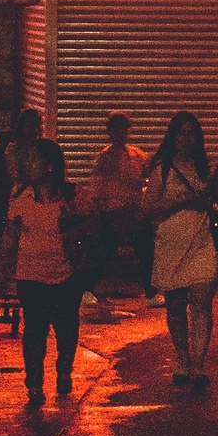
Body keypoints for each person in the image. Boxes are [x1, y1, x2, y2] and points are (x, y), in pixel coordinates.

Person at [143, 111, 218, 392]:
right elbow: (147, 209)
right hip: (171, 243)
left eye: (192, 133)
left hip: (202, 241)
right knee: (175, 306)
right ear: (173, 136)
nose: (187, 139)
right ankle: (182, 358)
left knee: (202, 304)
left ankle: (198, 366)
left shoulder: (208, 168)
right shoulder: (162, 170)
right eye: (182, 133)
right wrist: (181, 202)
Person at [6, 139, 85, 405]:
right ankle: (35, 385)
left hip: (66, 273)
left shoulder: (71, 195)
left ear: (50, 166)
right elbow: (11, 237)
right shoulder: (20, 196)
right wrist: (2, 272)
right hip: (30, 274)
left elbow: (90, 226)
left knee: (66, 327)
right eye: (27, 159)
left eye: (35, 160)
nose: (29, 165)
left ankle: (64, 370)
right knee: (35, 331)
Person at [89, 112, 151, 300]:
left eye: (123, 128)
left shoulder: (136, 155)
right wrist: (98, 208)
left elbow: (148, 175)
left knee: (146, 249)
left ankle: (151, 291)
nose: (120, 133)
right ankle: (88, 288)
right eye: (115, 129)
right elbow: (97, 184)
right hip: (112, 212)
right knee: (104, 251)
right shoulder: (105, 157)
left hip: (133, 211)